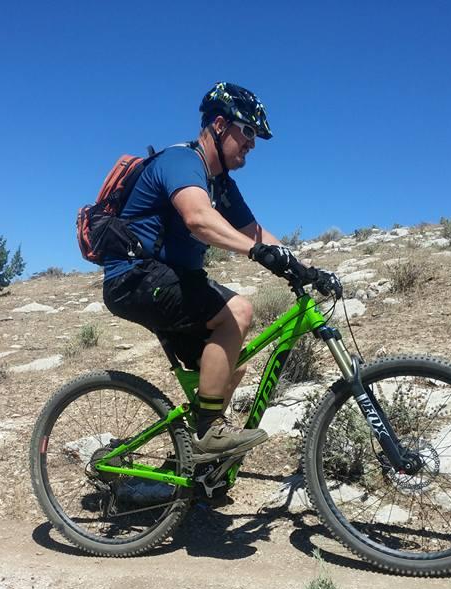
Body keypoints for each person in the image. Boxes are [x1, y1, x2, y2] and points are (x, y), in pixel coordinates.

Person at [102, 82, 311, 460]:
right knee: (240, 312)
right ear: (219, 124)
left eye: (256, 137)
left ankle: (193, 461)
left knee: (230, 368)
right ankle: (208, 433)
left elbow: (257, 232)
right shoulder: (182, 162)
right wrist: (256, 252)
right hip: (135, 276)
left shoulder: (222, 186)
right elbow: (198, 218)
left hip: (170, 280)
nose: (252, 143)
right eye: (247, 131)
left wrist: (303, 267)